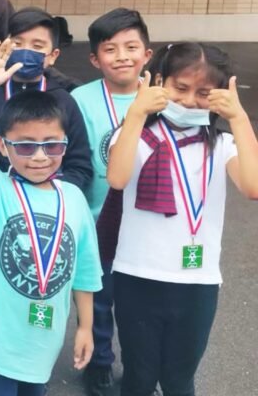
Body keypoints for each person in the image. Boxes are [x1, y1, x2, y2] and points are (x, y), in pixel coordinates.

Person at [0, 39, 102, 394]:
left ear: (65, 144)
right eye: (25, 145)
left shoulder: (72, 198)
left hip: (41, 343)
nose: (39, 156)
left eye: (52, 145)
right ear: (2, 147)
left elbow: (85, 271)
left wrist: (85, 326)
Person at [103, 42, 258, 396]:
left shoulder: (222, 145)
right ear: (159, 82)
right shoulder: (135, 136)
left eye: (204, 93)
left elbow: (253, 186)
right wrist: (137, 114)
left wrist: (240, 117)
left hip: (197, 284)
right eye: (180, 88)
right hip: (137, 276)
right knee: (138, 377)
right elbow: (117, 178)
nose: (189, 101)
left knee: (178, 379)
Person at [69, 8, 151, 395]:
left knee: (142, 306)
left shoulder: (160, 100)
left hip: (149, 224)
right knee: (98, 299)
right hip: (96, 220)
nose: (122, 56)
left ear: (146, 54)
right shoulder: (79, 100)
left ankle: (140, 369)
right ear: (94, 59)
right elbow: (75, 160)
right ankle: (100, 362)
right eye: (110, 49)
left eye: (131, 47)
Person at [0, 7, 93, 196]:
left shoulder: (64, 100)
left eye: (37, 47)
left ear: (53, 56)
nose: (26, 52)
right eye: (17, 44)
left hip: (51, 203)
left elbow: (79, 166)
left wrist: (51, 197)